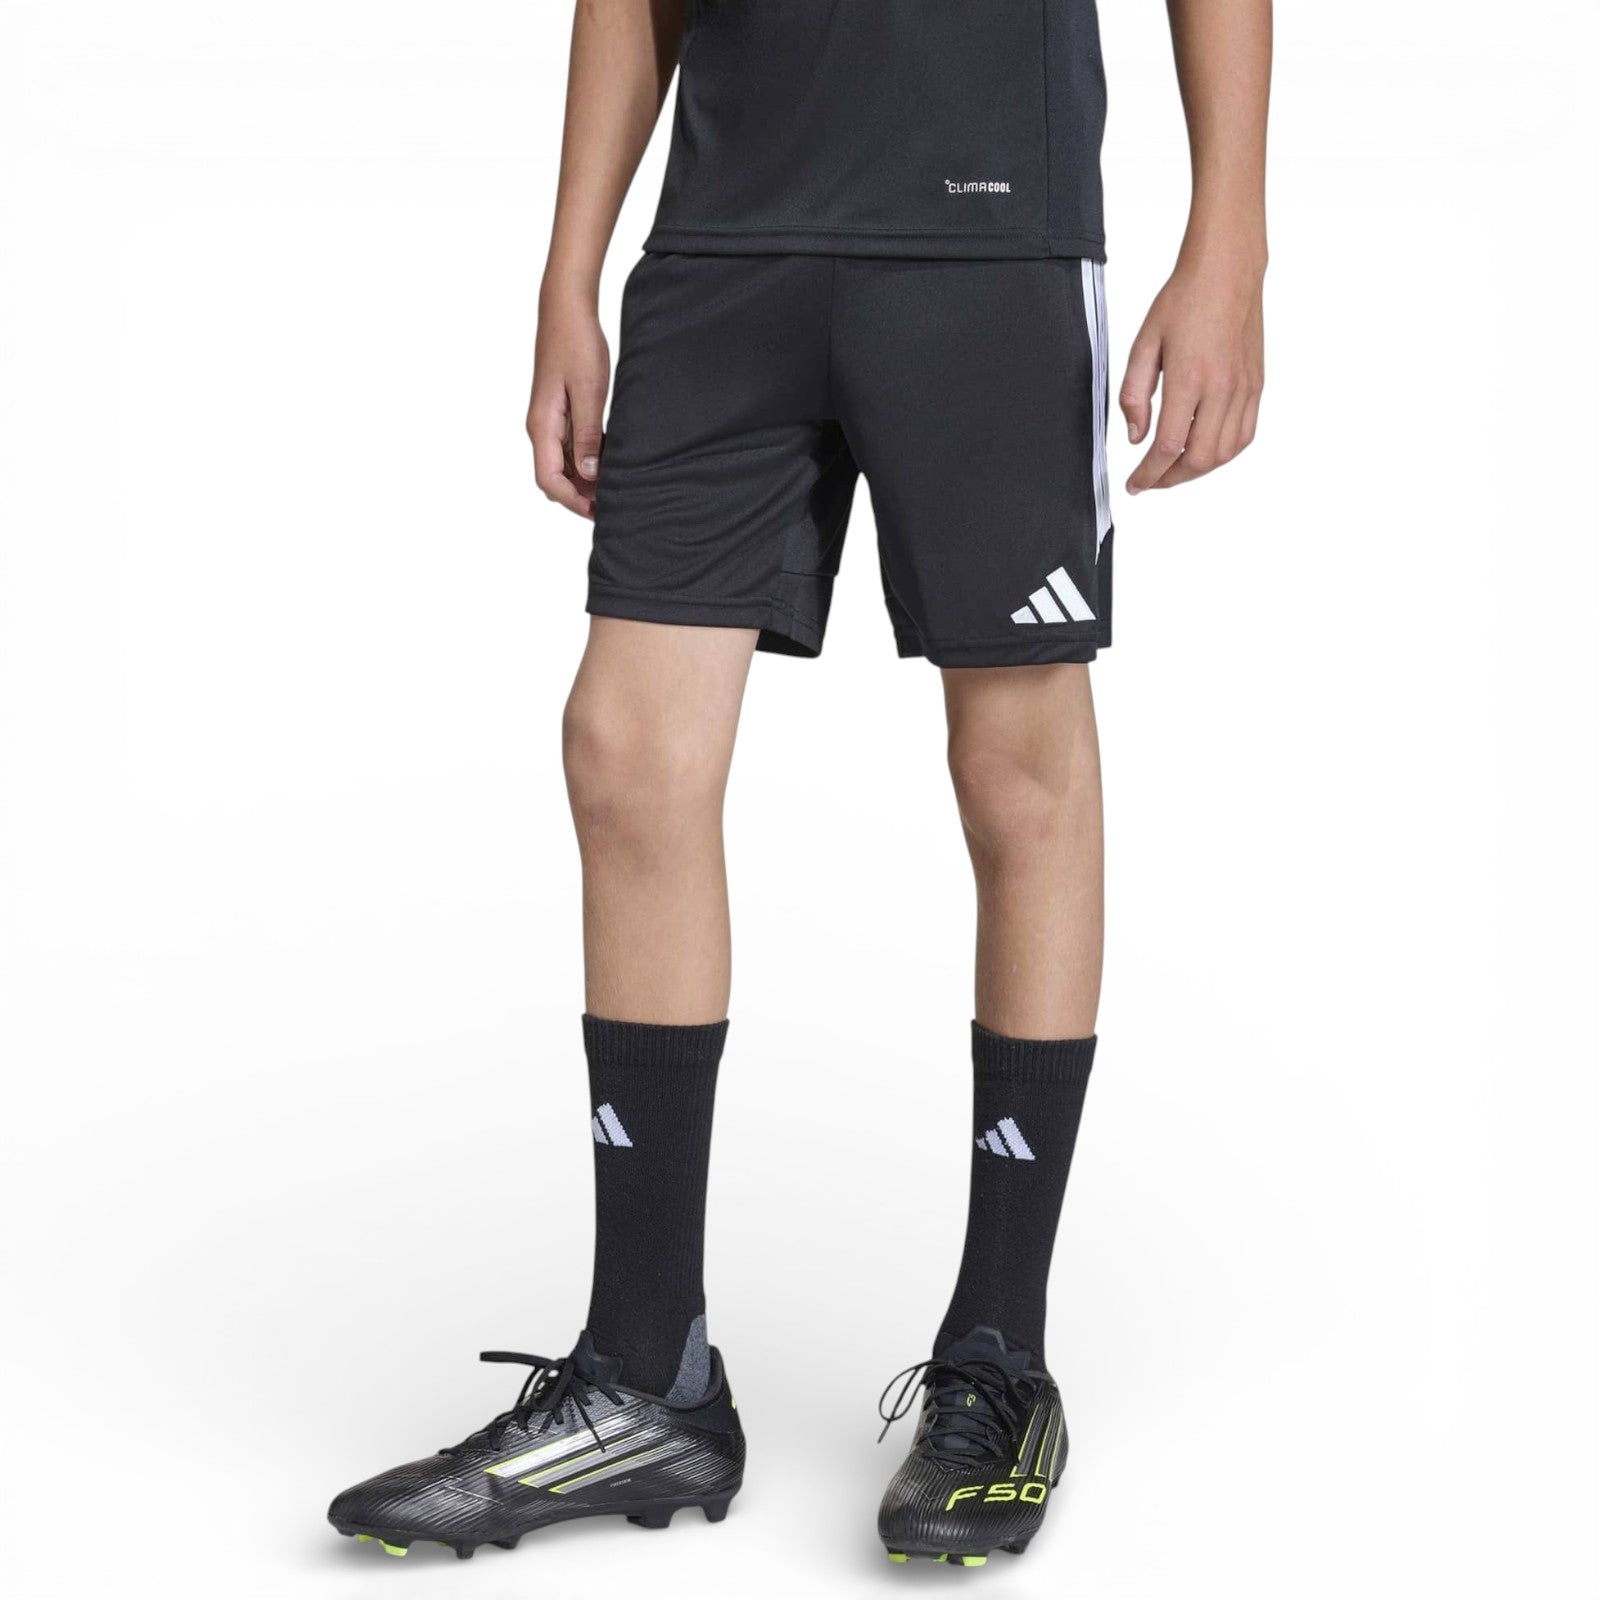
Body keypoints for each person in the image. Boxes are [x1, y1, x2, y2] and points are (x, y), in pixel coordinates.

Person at [329, 0, 1269, 1567]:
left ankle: (999, 1363)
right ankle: (649, 1378)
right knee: (626, 754)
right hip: (725, 236)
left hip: (987, 231)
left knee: (1019, 777)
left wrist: (1229, 235)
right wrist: (570, 270)